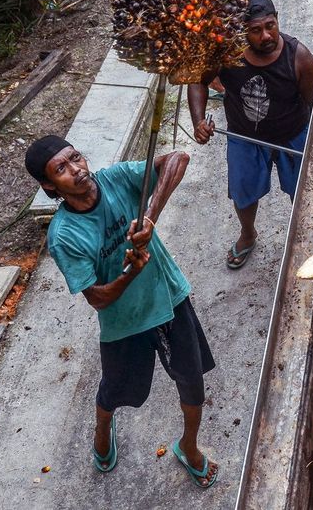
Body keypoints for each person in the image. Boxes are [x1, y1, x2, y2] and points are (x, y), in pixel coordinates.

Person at [24, 136, 219, 488]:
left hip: (169, 298)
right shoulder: (64, 235)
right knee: (116, 390)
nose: (77, 170)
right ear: (50, 186)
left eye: (76, 157)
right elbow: (96, 298)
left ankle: (188, 445)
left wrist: (149, 216)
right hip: (123, 323)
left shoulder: (115, 178)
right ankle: (102, 425)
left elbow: (178, 157)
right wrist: (130, 273)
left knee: (192, 382)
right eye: (61, 169)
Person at [188, 0, 313, 269]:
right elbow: (198, 81)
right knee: (243, 192)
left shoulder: (300, 58)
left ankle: (305, 238)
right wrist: (198, 120)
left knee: (304, 193)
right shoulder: (227, 54)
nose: (266, 36)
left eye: (270, 26)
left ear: (277, 20)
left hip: (292, 136)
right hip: (244, 138)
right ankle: (248, 234)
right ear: (241, 32)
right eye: (255, 31)